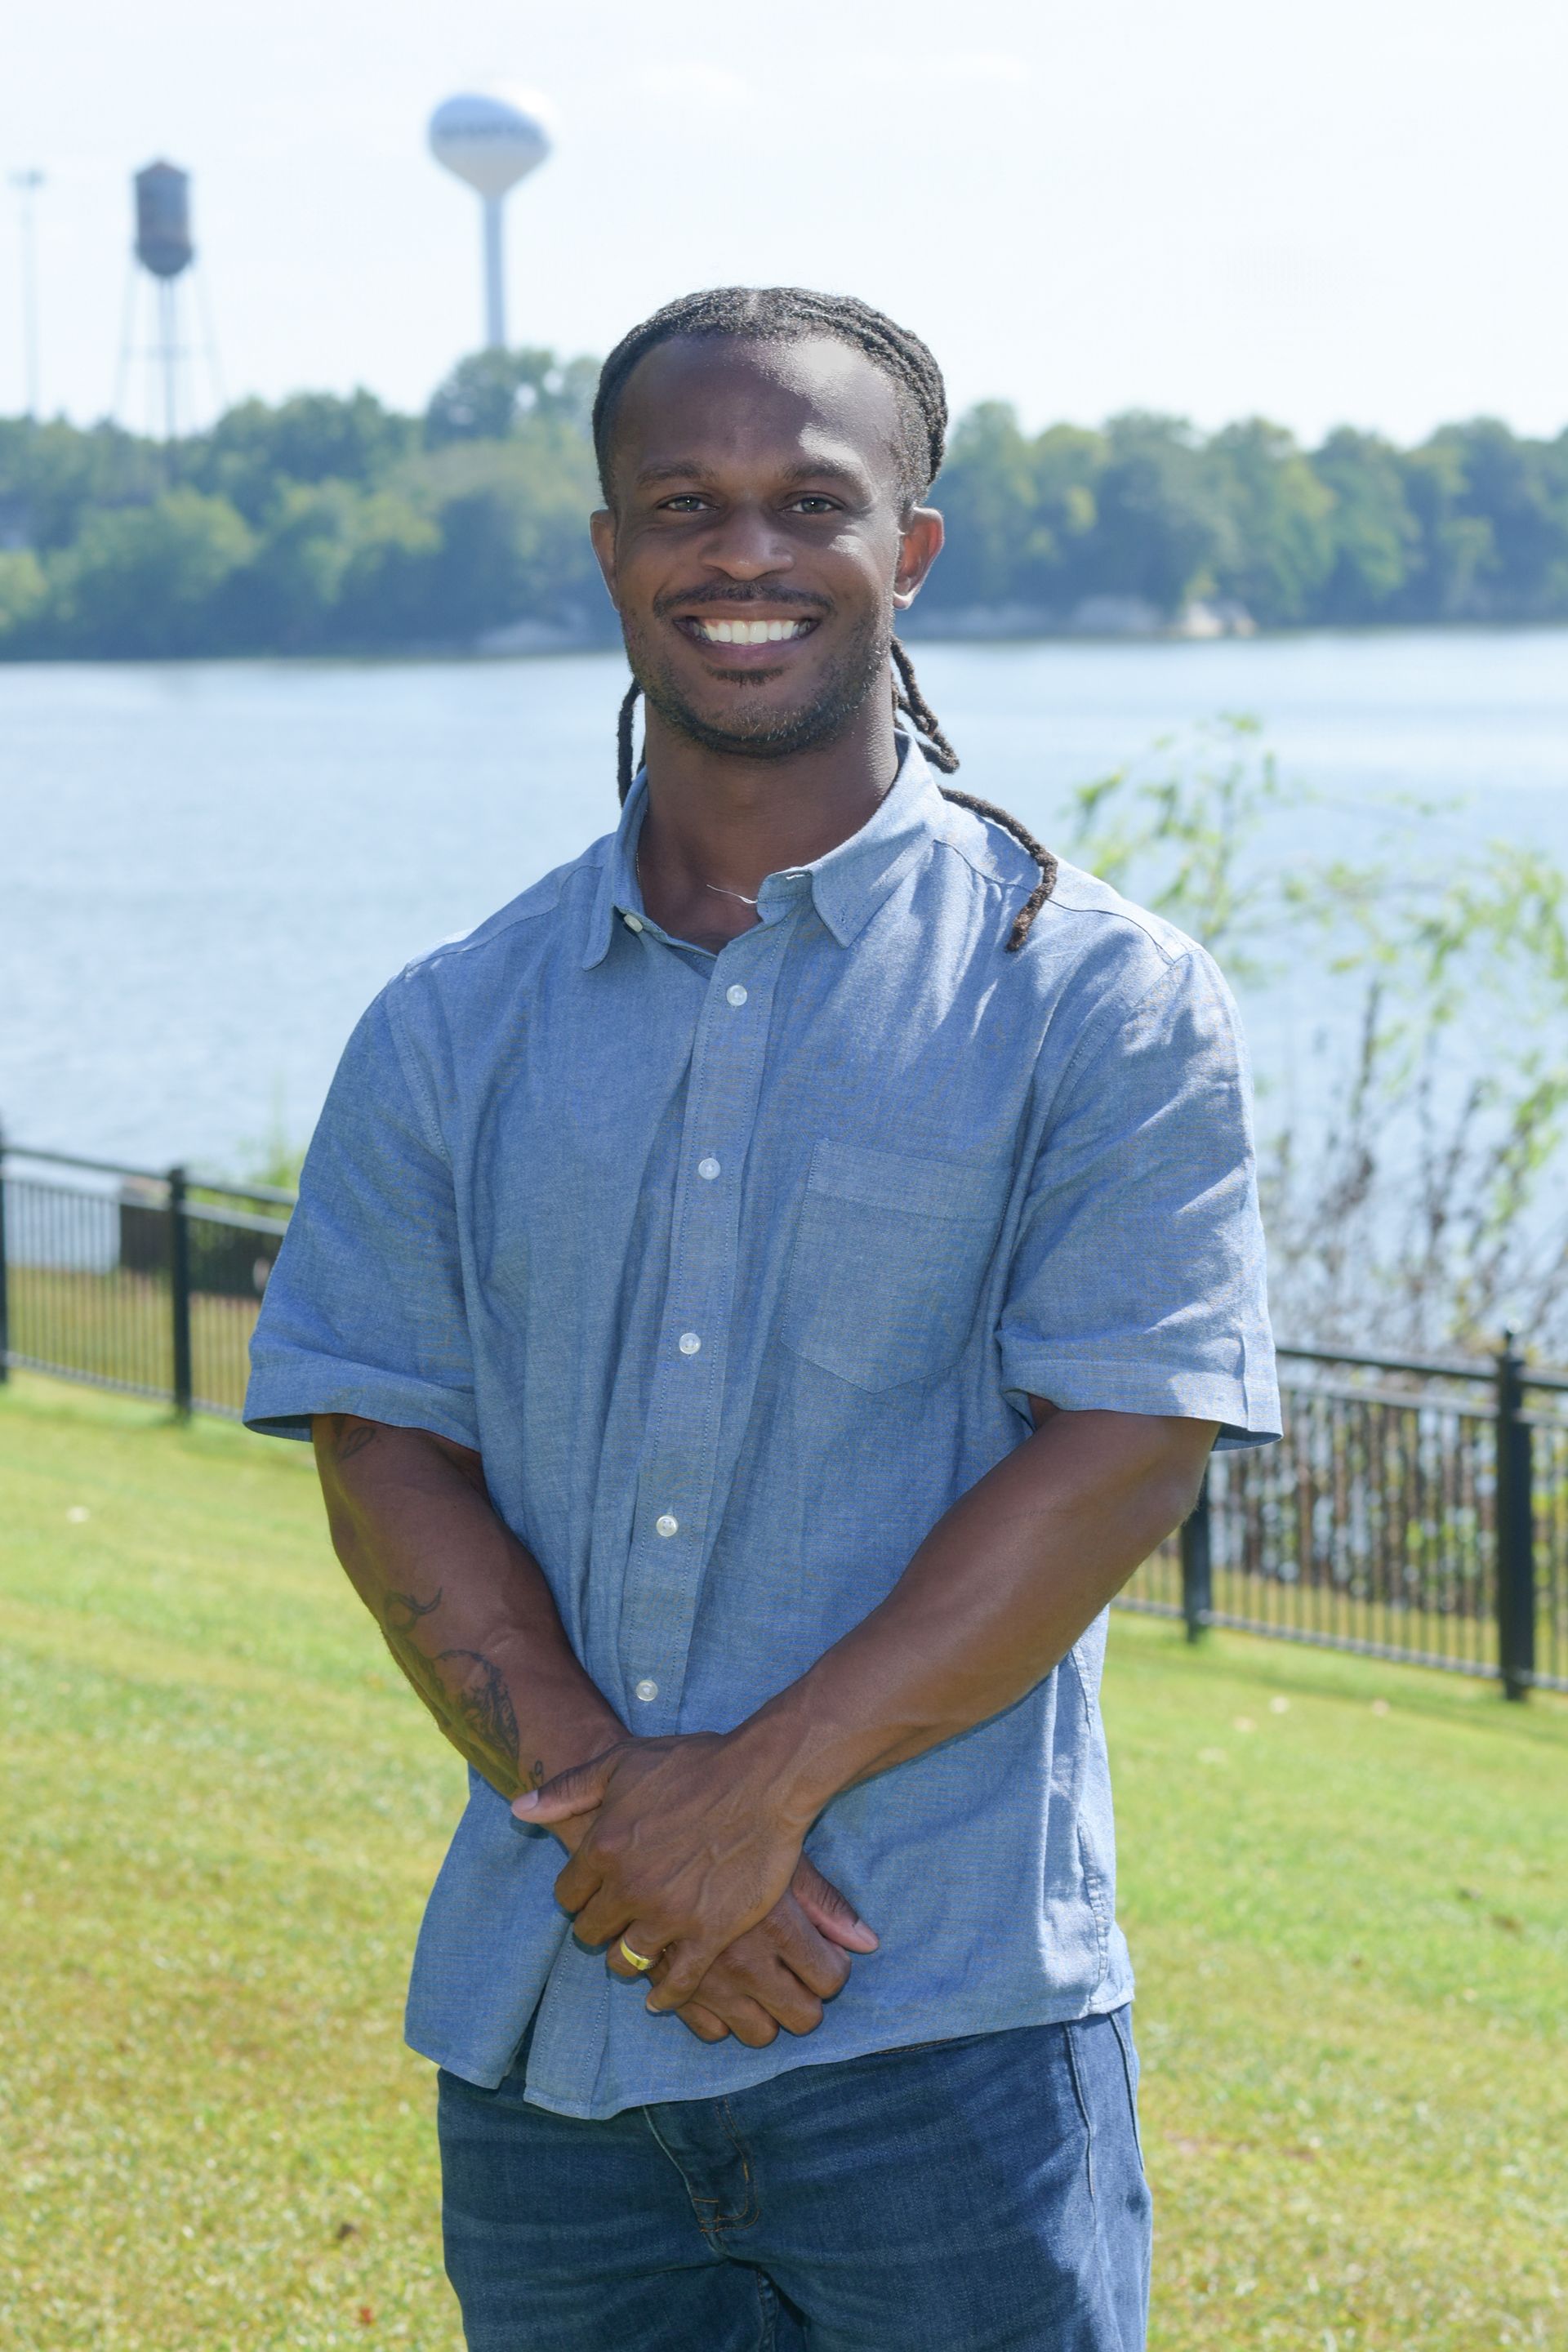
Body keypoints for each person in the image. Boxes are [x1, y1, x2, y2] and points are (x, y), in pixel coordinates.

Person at [245, 286, 1279, 2352]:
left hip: (948, 2049)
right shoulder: (451, 1025)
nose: (743, 551)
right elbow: (383, 1439)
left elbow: (1129, 1441)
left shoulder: (1098, 999)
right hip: (560, 2049)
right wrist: (636, 1833)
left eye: (811, 498)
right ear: (612, 550)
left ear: (908, 550)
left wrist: (749, 1805)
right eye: (681, 501)